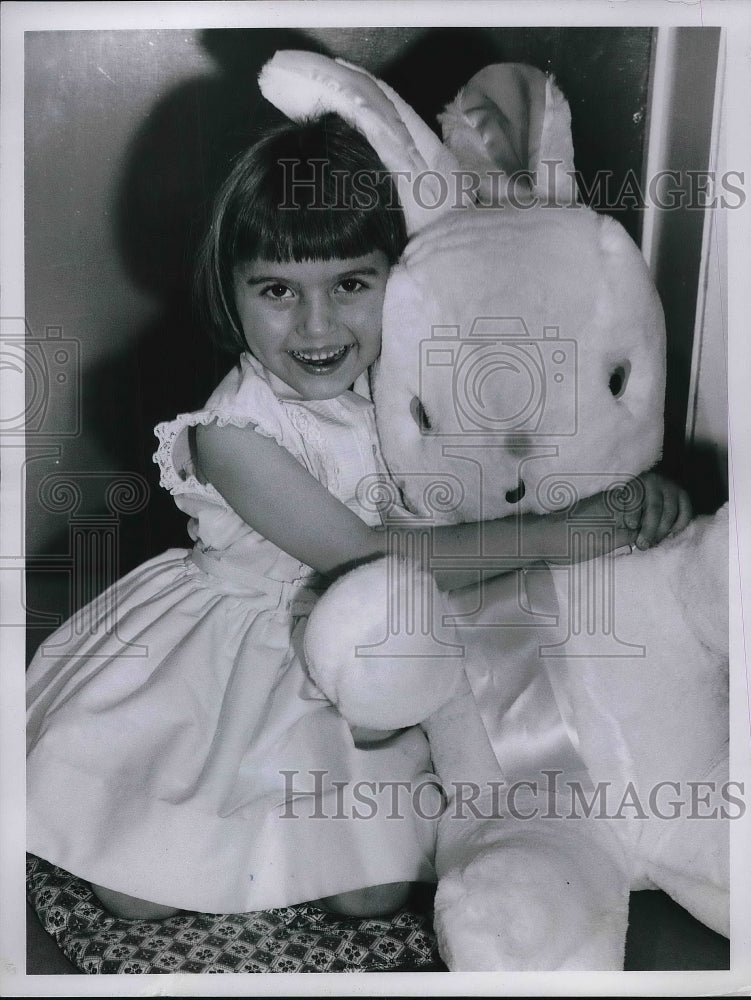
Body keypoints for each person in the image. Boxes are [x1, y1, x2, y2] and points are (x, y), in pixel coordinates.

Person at [26, 111, 692, 923]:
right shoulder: (233, 435)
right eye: (276, 290)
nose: (316, 326)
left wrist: (625, 497)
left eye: (350, 284)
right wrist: (562, 533)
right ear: (229, 292)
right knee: (139, 890)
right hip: (238, 647)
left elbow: (501, 475)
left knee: (370, 890)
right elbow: (366, 557)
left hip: (373, 656)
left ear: (397, 281)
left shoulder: (398, 387)